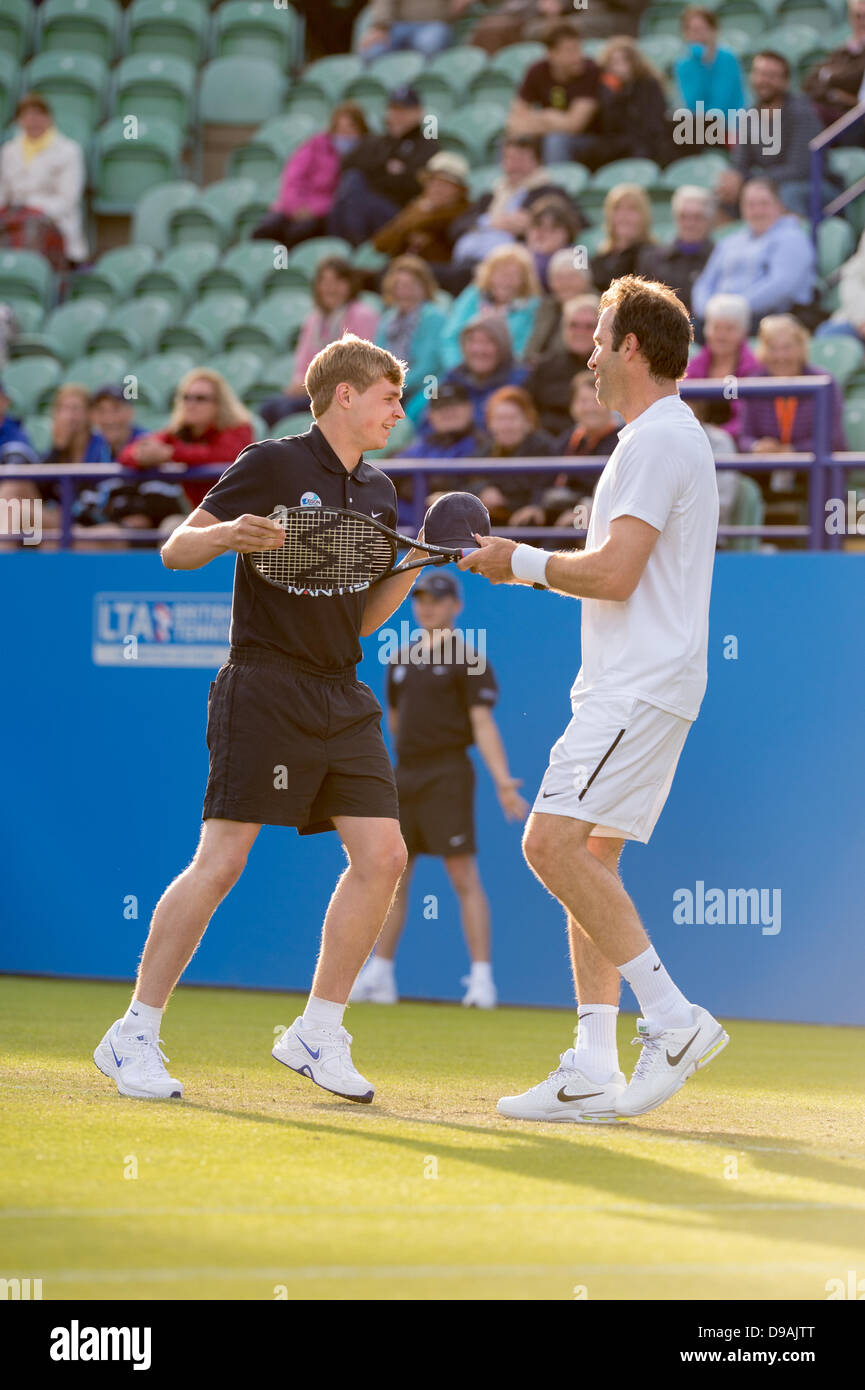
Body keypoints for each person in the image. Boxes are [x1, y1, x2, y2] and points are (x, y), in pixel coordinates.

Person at [93, 334, 427, 1104]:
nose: (397, 411)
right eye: (388, 396)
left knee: (382, 856)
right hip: (262, 683)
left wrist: (415, 566)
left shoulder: (379, 492)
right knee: (221, 863)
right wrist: (226, 535)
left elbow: (361, 619)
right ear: (344, 393)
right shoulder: (271, 462)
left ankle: (318, 1029)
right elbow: (175, 551)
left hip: (341, 691)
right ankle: (133, 1032)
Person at [459, 274, 728, 1123]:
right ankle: (589, 1062)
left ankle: (674, 1018)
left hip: (637, 687)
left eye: (599, 338)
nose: (587, 353)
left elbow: (614, 574)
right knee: (590, 861)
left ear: (632, 350)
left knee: (549, 845)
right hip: (640, 684)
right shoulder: (654, 438)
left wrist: (518, 562)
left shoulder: (656, 442)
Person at [352, 570, 528, 1008]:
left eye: (437, 598)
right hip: (404, 775)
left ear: (456, 606)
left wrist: (503, 781)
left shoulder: (469, 659)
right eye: (421, 598)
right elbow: (395, 721)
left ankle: (482, 981)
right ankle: (381, 976)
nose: (426, 605)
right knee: (394, 876)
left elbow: (482, 722)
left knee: (463, 876)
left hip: (448, 774)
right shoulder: (400, 659)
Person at [737, 313, 846, 529]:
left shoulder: (824, 382)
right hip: (765, 469)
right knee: (737, 484)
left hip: (810, 468)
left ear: (801, 348)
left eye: (787, 347)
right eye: (773, 348)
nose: (781, 356)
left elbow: (833, 439)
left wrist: (792, 450)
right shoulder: (753, 383)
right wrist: (758, 446)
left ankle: (822, 553)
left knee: (827, 477)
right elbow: (744, 437)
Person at [258, 258, 379, 427]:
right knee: (267, 407)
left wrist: (313, 385)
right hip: (316, 389)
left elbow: (357, 364)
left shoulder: (362, 314)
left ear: (350, 284)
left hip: (346, 390)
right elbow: (303, 360)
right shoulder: (315, 319)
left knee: (285, 409)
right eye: (325, 282)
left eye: (338, 281)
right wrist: (299, 382)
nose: (331, 288)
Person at [716, 51, 831, 221]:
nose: (763, 81)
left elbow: (799, 170)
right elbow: (739, 163)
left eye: (771, 76)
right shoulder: (748, 115)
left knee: (786, 194)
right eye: (759, 74)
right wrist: (733, 179)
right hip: (769, 184)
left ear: (785, 82)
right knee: (719, 199)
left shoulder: (802, 112)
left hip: (812, 186)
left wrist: (748, 180)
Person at [691, 178, 817, 332]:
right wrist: (708, 309)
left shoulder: (792, 238)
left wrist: (733, 309)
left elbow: (781, 286)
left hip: (769, 319)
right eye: (750, 205)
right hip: (720, 318)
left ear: (779, 206)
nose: (757, 211)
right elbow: (704, 282)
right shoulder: (730, 241)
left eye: (764, 204)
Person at [118, 369, 254, 510]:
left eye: (200, 398)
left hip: (236, 515)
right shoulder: (179, 432)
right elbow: (126, 454)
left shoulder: (239, 428)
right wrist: (141, 456)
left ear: (219, 403)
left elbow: (224, 454)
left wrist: (170, 454)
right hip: (198, 514)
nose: (191, 404)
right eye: (186, 397)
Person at [328, 86, 438, 246]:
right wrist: (385, 168)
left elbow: (414, 184)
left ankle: (352, 248)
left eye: (404, 110)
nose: (397, 116)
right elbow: (347, 165)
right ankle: (339, 247)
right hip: (367, 206)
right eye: (394, 110)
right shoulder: (378, 141)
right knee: (352, 183)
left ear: (418, 113)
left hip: (401, 213)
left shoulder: (427, 145)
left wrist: (378, 175)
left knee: (358, 197)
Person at [251, 103, 369, 250]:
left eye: (350, 129)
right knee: (266, 231)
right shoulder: (315, 146)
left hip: (324, 214)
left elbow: (345, 196)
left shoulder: (364, 156)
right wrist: (296, 207)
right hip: (294, 208)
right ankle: (277, 267)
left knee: (297, 234)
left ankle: (289, 268)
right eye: (339, 129)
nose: (344, 134)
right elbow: (293, 178)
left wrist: (314, 210)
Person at [450, 134, 562, 270]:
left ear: (537, 162)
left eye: (520, 159)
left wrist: (533, 224)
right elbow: (455, 228)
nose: (514, 165)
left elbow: (575, 222)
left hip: (512, 265)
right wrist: (490, 222)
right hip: (470, 258)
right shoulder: (492, 194)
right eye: (509, 158)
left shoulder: (550, 193)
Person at [0, 93, 88, 266]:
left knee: (31, 229)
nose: (33, 121)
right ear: (19, 120)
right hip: (13, 217)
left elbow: (68, 199)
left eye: (38, 115)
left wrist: (32, 209)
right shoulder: (8, 151)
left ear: (49, 118)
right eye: (26, 116)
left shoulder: (69, 151)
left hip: (52, 219)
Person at [509, 21, 601, 165]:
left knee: (556, 140)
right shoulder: (536, 71)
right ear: (551, 54)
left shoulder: (590, 71)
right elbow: (515, 122)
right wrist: (548, 117)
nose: (578, 56)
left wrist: (541, 118)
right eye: (570, 51)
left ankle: (556, 185)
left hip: (591, 140)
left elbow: (575, 125)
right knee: (510, 140)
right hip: (548, 133)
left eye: (578, 48)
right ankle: (507, 186)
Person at [440, 244, 541, 371]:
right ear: (489, 274)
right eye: (500, 273)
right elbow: (450, 337)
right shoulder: (473, 296)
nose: (506, 280)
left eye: (514, 274)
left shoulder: (532, 307)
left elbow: (524, 349)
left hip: (506, 376)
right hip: (462, 371)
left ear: (524, 279)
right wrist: (459, 369)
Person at [581, 36, 674, 172]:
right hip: (619, 143)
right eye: (613, 63)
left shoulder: (649, 85)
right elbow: (608, 126)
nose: (618, 67)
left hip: (646, 142)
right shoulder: (607, 91)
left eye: (622, 61)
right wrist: (613, 94)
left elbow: (653, 123)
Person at [375, 254, 448, 424]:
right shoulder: (387, 319)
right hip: (392, 386)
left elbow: (428, 366)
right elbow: (375, 359)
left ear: (424, 288)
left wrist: (392, 386)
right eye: (399, 286)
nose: (404, 292)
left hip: (429, 384)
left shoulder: (434, 317)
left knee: (411, 414)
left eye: (411, 286)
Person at [467, 385, 557, 522]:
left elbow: (546, 488)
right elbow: (467, 479)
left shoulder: (545, 448)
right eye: (500, 419)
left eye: (513, 418)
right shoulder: (485, 449)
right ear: (490, 424)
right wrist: (483, 490)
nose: (506, 426)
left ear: (528, 421)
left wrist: (533, 507)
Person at [685, 293, 763, 443]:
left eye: (729, 329)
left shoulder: (754, 369)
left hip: (735, 445)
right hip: (695, 438)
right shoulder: (693, 366)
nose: (721, 336)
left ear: (743, 332)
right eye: (716, 328)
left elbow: (749, 420)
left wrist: (718, 434)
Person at [372, 152, 471, 264]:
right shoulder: (418, 208)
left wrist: (419, 217)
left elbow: (438, 226)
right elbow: (380, 244)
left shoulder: (466, 211)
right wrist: (415, 217)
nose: (438, 190)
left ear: (459, 191)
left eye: (446, 185)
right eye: (433, 183)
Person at [434, 316, 530, 429]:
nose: (479, 350)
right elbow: (429, 424)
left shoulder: (520, 380)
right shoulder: (453, 377)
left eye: (488, 342)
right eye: (472, 341)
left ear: (502, 347)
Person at [525, 291, 600, 434]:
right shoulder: (544, 367)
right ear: (564, 328)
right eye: (574, 325)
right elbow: (527, 411)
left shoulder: (613, 368)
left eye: (589, 326)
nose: (580, 331)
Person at [639, 185, 715, 314]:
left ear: (709, 221)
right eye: (683, 216)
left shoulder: (719, 258)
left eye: (697, 217)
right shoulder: (652, 258)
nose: (690, 223)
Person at [803, 0, 865, 140]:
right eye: (857, 16)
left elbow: (852, 77)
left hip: (855, 122)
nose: (862, 22)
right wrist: (833, 93)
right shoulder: (841, 51)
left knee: (809, 113)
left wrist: (828, 77)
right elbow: (810, 82)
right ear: (850, 18)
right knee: (797, 108)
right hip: (832, 116)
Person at [674, 6, 746, 117]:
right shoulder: (683, 65)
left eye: (702, 29)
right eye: (692, 30)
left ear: (713, 30)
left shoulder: (728, 59)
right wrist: (699, 63)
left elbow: (723, 102)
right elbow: (692, 103)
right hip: (701, 125)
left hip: (732, 123)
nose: (697, 35)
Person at [523, 249, 594, 360]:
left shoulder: (597, 307)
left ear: (586, 279)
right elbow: (532, 346)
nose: (565, 284)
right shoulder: (546, 307)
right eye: (559, 278)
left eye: (571, 277)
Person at [403, 380, 487, 472]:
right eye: (440, 407)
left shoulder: (488, 448)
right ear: (430, 415)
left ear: (470, 408)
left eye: (454, 406)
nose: (448, 412)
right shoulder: (419, 450)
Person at [590, 184, 655, 293]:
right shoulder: (600, 259)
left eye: (632, 209)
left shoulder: (654, 257)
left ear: (644, 216)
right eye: (617, 208)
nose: (624, 216)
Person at [360, 0, 467, 60]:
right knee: (373, 51)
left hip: (435, 24)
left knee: (429, 44)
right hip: (398, 26)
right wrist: (380, 27)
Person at [524, 194, 584, 291]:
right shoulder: (520, 255)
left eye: (552, 228)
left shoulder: (580, 252)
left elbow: (583, 286)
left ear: (567, 232)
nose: (543, 233)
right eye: (538, 226)